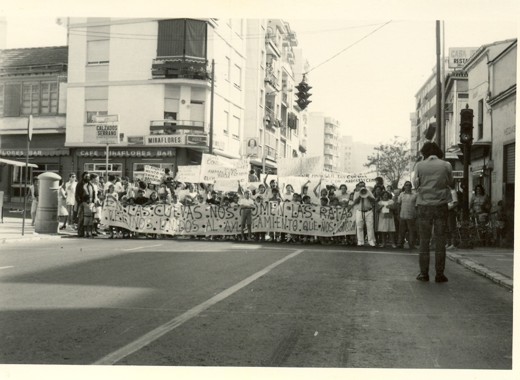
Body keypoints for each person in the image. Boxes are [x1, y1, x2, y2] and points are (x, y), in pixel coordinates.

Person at [413, 142, 454, 283]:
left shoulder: (419, 165)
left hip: (424, 205)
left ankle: (424, 273)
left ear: (424, 152)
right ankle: (439, 274)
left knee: (424, 241)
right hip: (441, 205)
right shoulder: (446, 165)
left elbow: (415, 184)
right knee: (440, 240)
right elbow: (450, 182)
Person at [352, 181, 376, 247]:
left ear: (365, 186)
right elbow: (355, 202)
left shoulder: (368, 191)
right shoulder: (356, 193)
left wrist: (367, 195)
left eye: (363, 186)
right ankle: (360, 241)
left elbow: (374, 200)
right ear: (358, 186)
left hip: (368, 211)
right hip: (359, 211)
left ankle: (371, 241)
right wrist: (360, 196)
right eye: (360, 186)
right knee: (359, 226)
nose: (362, 187)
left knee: (370, 226)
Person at [397, 181, 417, 249]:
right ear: (404, 186)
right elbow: (398, 205)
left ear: (411, 186)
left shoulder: (415, 195)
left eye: (409, 185)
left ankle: (411, 244)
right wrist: (398, 215)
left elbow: (417, 206)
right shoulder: (401, 194)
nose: (408, 186)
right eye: (406, 185)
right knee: (401, 231)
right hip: (402, 215)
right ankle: (400, 244)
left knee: (411, 231)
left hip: (412, 216)